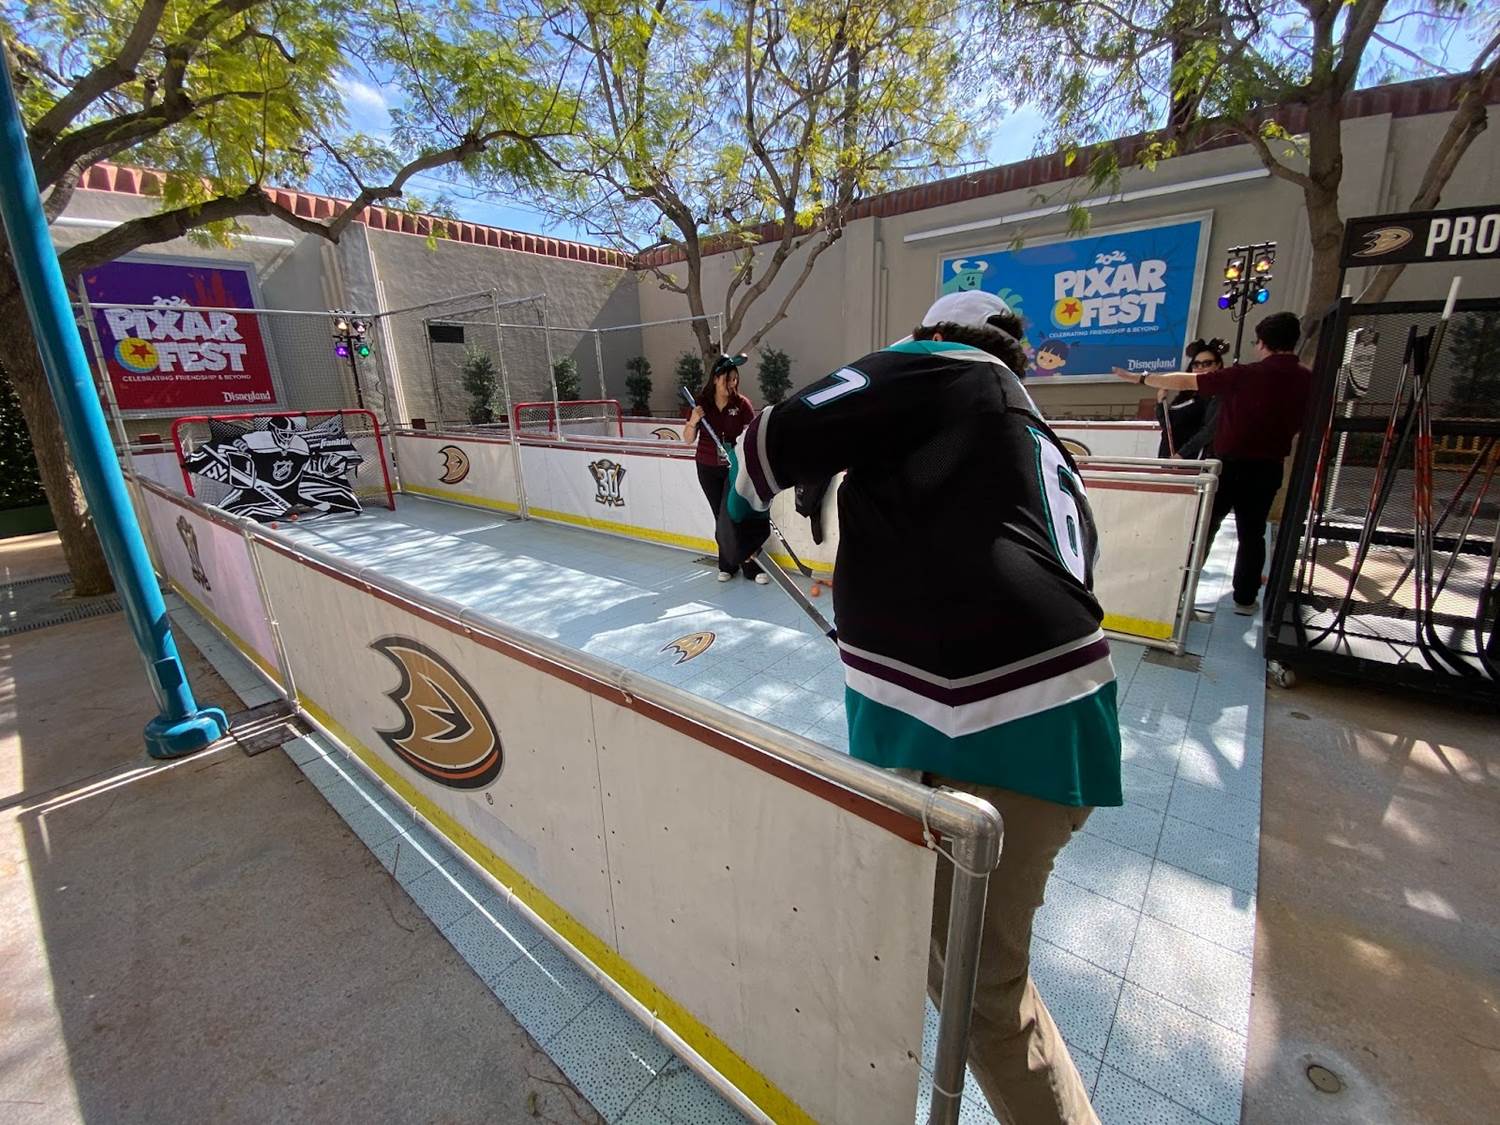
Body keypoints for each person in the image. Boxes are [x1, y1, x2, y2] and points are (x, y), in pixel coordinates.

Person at [719, 290, 1120, 1125]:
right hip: (1045, 726)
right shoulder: (1024, 425)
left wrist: (740, 515)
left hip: (994, 729)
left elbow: (767, 442)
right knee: (961, 969)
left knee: (983, 1000)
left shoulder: (943, 366)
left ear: (934, 334)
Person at [1114, 310, 1314, 614]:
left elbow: (1187, 381)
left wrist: (1141, 378)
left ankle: (1180, 595)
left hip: (1228, 465)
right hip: (1269, 466)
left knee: (1205, 529)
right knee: (1252, 533)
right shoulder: (1308, 379)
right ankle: (1245, 599)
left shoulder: (1246, 374)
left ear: (1262, 343)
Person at [682, 353, 766, 583]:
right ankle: (727, 564)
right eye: (727, 379)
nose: (732, 383)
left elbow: (751, 435)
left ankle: (751, 567)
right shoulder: (701, 403)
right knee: (721, 517)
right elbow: (688, 439)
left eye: (735, 379)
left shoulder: (742, 404)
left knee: (739, 514)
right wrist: (693, 420)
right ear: (715, 379)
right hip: (707, 467)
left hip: (734, 467)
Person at [1156, 338, 1226, 458]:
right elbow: (1167, 426)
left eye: (1207, 363)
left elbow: (1209, 431)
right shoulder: (1184, 395)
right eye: (1196, 364)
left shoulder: (1218, 396)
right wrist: (1160, 402)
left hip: (1194, 459)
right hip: (1169, 457)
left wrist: (1181, 454)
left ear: (1218, 365)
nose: (1200, 368)